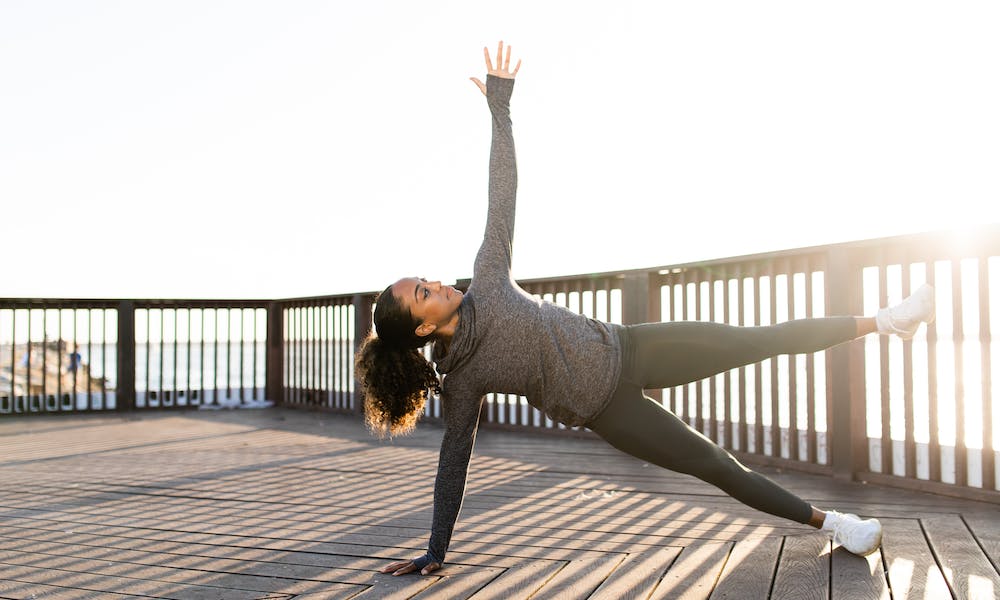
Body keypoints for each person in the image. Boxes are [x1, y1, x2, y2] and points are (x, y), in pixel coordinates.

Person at [356, 41, 936, 577]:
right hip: (610, 411)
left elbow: (501, 192)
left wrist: (499, 108)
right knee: (715, 464)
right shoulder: (463, 379)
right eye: (423, 293)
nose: (435, 283)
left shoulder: (486, 276)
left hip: (631, 344)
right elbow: (453, 464)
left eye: (424, 279)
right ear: (425, 326)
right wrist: (434, 551)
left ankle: (888, 321)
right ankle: (837, 525)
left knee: (758, 338)